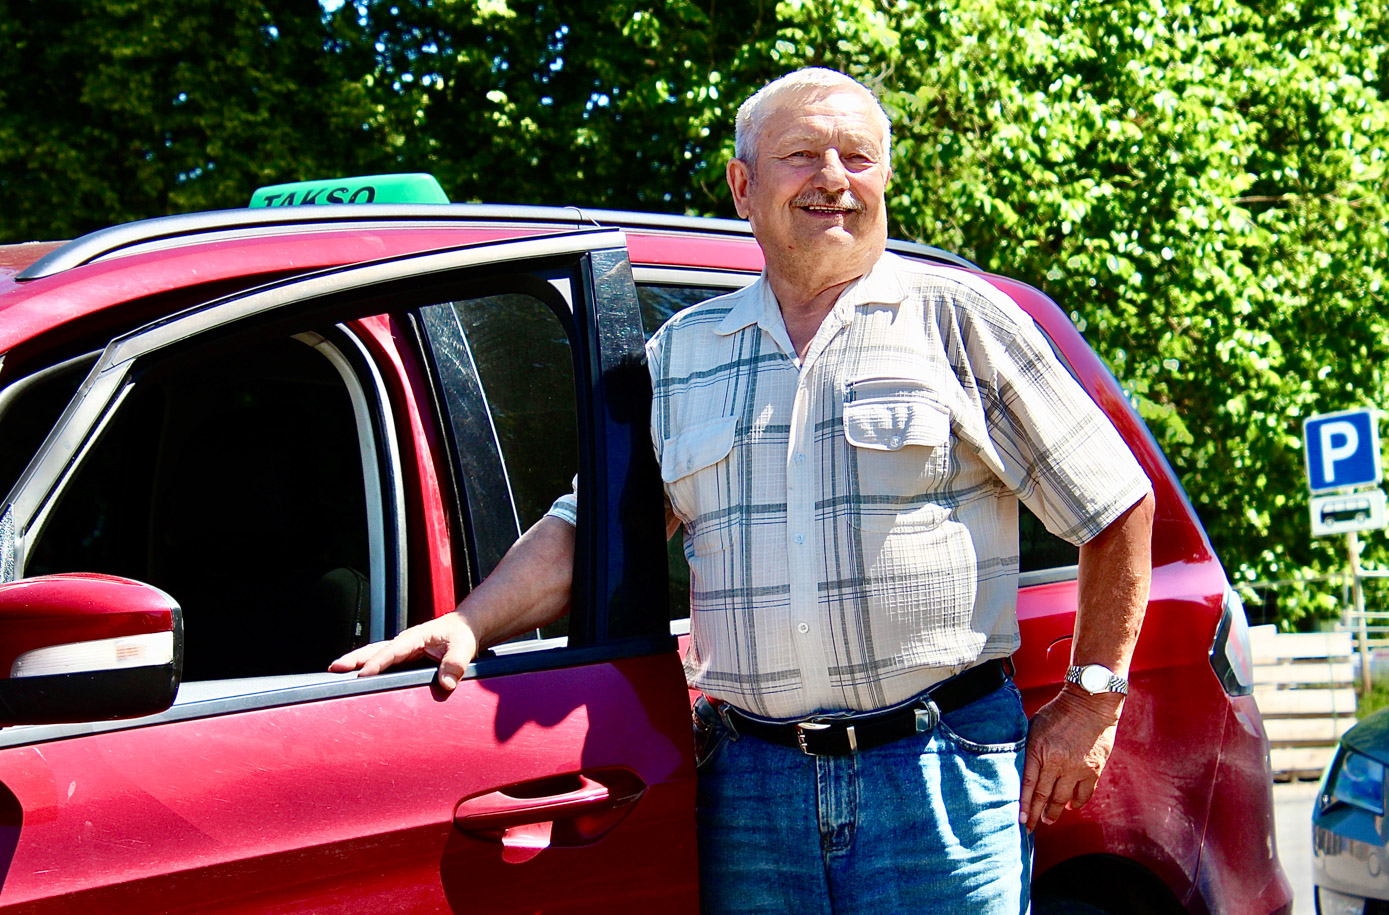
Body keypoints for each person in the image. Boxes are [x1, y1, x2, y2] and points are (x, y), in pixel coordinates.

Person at [332, 68, 1154, 914]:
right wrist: (467, 620)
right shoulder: (683, 352)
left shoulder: (957, 321)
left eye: (857, 156)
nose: (834, 178)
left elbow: (1114, 503)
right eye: (801, 155)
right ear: (742, 185)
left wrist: (1092, 698)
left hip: (937, 768)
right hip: (750, 784)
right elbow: (591, 529)